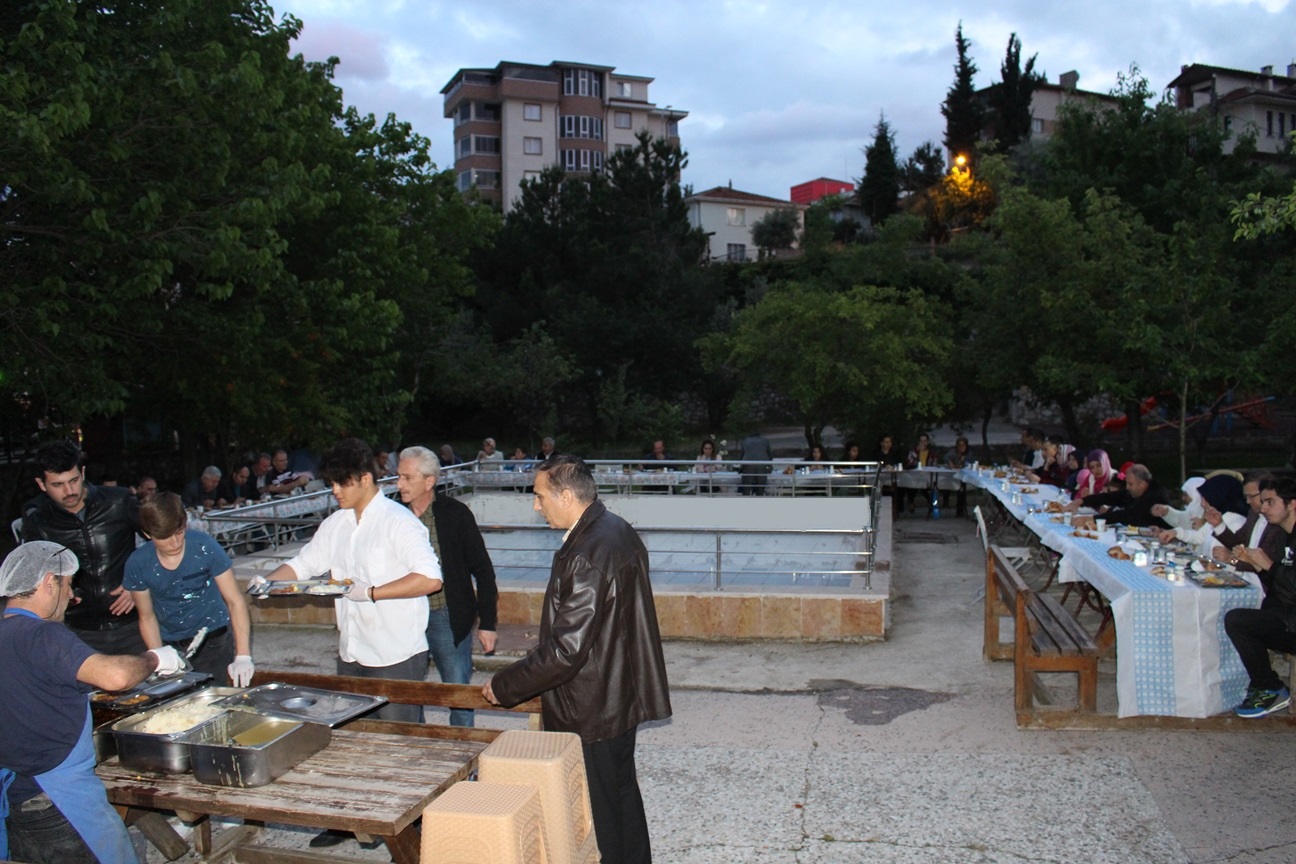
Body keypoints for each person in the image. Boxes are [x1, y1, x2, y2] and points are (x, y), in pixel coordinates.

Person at [483, 457, 670, 864]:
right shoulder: (616, 529)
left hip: (593, 705)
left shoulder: (587, 551)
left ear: (566, 496)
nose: (536, 506)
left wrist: (504, 685)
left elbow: (567, 650)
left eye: (539, 496)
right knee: (621, 794)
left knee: (601, 813)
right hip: (618, 694)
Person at [258, 438, 443, 850]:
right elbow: (305, 563)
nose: (335, 491)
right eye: (331, 484)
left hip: (397, 652)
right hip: (353, 651)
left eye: (342, 483)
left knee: (399, 744)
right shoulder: (336, 523)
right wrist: (267, 582)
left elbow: (430, 578)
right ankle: (355, 821)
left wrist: (371, 592)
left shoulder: (398, 522)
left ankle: (413, 830)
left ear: (365, 479)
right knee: (351, 741)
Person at [0, 542, 185, 864]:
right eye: (68, 584)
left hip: (16, 801)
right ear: (48, 583)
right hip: (58, 803)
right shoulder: (42, 635)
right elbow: (115, 677)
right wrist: (155, 657)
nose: (71, 597)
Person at [396, 447, 498, 727]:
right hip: (402, 619)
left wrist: (488, 623)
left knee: (458, 696)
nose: (399, 484)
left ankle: (464, 754)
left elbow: (483, 570)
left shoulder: (456, 514)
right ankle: (418, 750)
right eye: (398, 477)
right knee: (406, 693)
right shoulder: (392, 516)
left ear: (429, 481)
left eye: (407, 477)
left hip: (447, 617)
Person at [21, 441, 146, 655]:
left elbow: (164, 540)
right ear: (41, 484)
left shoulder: (119, 501)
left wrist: (140, 580)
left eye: (74, 480)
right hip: (78, 632)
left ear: (83, 472)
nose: (69, 491)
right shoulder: (38, 521)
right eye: (57, 485)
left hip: (135, 625)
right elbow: (33, 577)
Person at [124, 493, 254, 686]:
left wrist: (243, 655)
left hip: (213, 638)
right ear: (147, 534)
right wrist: (159, 656)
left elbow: (235, 601)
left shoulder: (204, 546)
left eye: (179, 532)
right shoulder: (138, 563)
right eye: (164, 537)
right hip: (171, 643)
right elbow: (147, 616)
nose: (175, 543)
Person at [1224, 477, 1296, 717]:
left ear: (1292, 504)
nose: (1263, 508)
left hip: (1292, 622)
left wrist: (1268, 565)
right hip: (1284, 615)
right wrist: (1254, 564)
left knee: (1237, 620)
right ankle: (1261, 685)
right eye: (1262, 502)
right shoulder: (1283, 534)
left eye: (1270, 502)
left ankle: (1271, 687)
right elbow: (1277, 584)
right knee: (1240, 615)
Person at [1212, 471, 1283, 572]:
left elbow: (1268, 566)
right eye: (1246, 497)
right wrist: (1218, 525)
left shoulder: (1278, 524)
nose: (1247, 501)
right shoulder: (1253, 514)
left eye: (1251, 496)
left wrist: (1231, 560)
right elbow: (1239, 543)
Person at [1068, 464, 1171, 529]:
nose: (1127, 487)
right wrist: (1082, 501)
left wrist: (1092, 519)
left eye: (1130, 484)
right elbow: (1113, 497)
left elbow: (1126, 515)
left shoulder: (1156, 496)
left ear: (1142, 484)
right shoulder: (1139, 489)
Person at [942, 436, 975, 517]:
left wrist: (965, 464)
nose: (961, 447)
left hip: (963, 476)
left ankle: (960, 510)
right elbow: (945, 457)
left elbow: (972, 463)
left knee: (961, 489)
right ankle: (945, 502)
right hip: (952, 476)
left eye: (963, 445)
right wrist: (950, 462)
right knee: (945, 483)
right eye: (959, 445)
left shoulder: (969, 453)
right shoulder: (953, 452)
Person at [739, 430, 772, 496]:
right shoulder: (765, 441)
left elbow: (742, 456)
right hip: (761, 465)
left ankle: (745, 499)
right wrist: (769, 466)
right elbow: (770, 455)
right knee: (760, 489)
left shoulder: (745, 441)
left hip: (747, 465)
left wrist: (740, 467)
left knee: (746, 489)